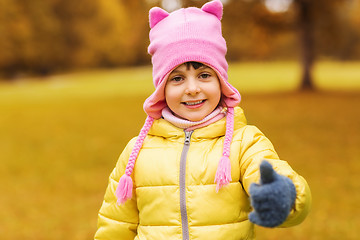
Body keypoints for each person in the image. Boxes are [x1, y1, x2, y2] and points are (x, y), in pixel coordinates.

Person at [94, 0, 311, 239]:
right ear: (161, 88)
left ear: (221, 81)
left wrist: (282, 194)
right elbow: (115, 224)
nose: (193, 88)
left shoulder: (245, 143)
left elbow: (273, 176)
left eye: (204, 75)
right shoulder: (137, 151)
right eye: (177, 78)